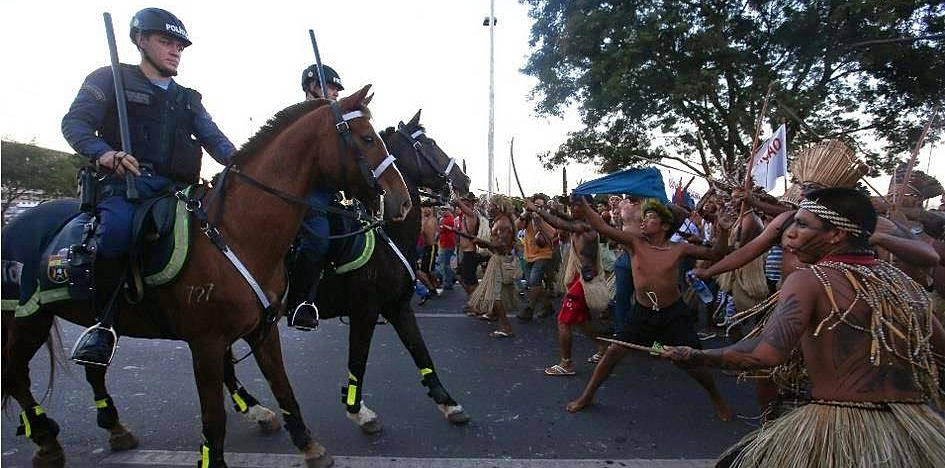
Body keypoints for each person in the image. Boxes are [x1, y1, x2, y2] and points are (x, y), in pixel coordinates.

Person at [664, 187, 945, 467]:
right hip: (910, 430)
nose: (790, 232)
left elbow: (766, 355)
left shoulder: (811, 280)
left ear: (836, 234)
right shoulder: (902, 284)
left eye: (801, 224)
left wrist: (698, 356)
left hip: (841, 429)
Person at [62, 8, 236, 366]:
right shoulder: (109, 79)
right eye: (166, 42)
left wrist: (243, 163)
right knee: (117, 233)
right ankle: (103, 325)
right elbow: (75, 123)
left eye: (180, 46)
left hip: (179, 192)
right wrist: (105, 154)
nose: (175, 51)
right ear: (140, 41)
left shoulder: (188, 98)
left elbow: (216, 141)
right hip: (127, 186)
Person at [565, 197, 734, 421]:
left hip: (673, 314)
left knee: (691, 361)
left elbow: (717, 254)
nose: (644, 221)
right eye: (643, 218)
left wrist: (722, 230)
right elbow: (602, 226)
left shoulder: (679, 249)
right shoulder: (635, 243)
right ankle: (587, 396)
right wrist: (584, 205)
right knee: (614, 352)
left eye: (651, 218)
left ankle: (717, 399)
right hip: (642, 313)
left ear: (665, 226)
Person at [284, 62, 346, 330]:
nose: (335, 93)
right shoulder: (294, 117)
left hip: (329, 191)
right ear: (312, 87)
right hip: (305, 192)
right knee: (318, 239)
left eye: (336, 89)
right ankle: (299, 303)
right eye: (330, 87)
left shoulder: (334, 119)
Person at [526, 198, 607, 375]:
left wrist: (537, 210)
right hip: (578, 278)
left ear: (588, 209)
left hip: (584, 281)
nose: (573, 209)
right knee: (581, 319)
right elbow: (564, 218)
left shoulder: (587, 228)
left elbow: (558, 222)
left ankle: (566, 363)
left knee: (563, 321)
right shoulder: (579, 223)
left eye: (577, 206)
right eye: (572, 206)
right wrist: (548, 208)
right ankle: (602, 348)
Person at [466, 195, 519, 337]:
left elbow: (502, 246)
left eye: (490, 206)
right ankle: (493, 315)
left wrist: (483, 243)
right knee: (495, 293)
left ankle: (506, 328)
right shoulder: (500, 221)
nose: (488, 208)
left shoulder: (502, 223)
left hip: (501, 260)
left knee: (495, 294)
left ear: (498, 207)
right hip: (498, 259)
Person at [516, 194, 555, 320]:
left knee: (534, 281)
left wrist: (539, 220)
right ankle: (547, 306)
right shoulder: (527, 217)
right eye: (536, 205)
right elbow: (517, 226)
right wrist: (525, 212)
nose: (538, 207)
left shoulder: (548, 217)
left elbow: (553, 234)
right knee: (534, 284)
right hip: (529, 254)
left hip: (544, 254)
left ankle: (529, 309)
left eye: (540, 206)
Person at [455, 193, 482, 301]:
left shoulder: (471, 215)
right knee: (460, 276)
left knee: (471, 282)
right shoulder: (464, 216)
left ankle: (476, 302)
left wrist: (456, 197)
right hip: (464, 252)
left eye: (466, 201)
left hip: (469, 253)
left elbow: (458, 203)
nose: (464, 203)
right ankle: (473, 299)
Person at [416, 206, 440, 305]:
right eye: (424, 208)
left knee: (428, 270)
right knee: (425, 270)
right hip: (427, 247)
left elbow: (421, 231)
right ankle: (433, 286)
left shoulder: (432, 220)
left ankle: (434, 286)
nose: (425, 210)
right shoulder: (427, 219)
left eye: (428, 208)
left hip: (431, 247)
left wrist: (421, 215)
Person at [436, 206, 458, 290]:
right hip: (445, 244)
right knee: (443, 264)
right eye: (442, 209)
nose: (443, 211)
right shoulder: (445, 219)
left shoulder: (449, 219)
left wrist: (440, 223)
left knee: (444, 265)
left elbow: (439, 230)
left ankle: (448, 282)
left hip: (447, 245)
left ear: (449, 210)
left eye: (445, 210)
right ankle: (451, 277)